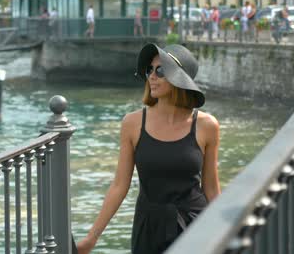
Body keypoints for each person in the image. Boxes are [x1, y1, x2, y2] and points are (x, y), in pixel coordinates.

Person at [77, 44, 221, 254]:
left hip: (194, 224)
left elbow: (211, 188)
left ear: (179, 79)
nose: (152, 76)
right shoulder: (132, 123)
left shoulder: (207, 126)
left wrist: (230, 231)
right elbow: (119, 185)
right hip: (148, 227)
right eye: (149, 70)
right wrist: (92, 238)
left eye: (160, 70)